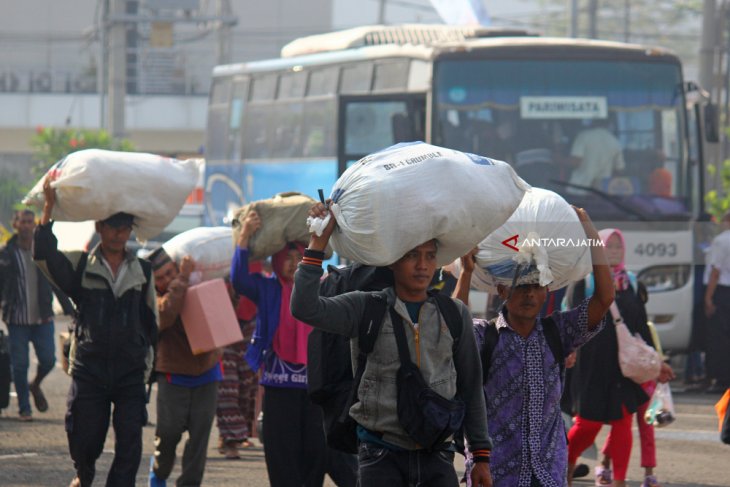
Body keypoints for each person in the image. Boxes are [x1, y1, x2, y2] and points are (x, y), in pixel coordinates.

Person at [290, 202, 493, 487]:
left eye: (429, 256)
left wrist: (481, 456)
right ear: (393, 260)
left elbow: (471, 386)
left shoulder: (454, 314)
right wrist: (317, 243)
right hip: (379, 454)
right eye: (412, 255)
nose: (422, 265)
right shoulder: (365, 307)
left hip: (438, 455)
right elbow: (305, 308)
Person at [453, 207, 613, 487]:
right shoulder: (486, 336)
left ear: (547, 291)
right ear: (502, 291)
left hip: (548, 473)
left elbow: (604, 298)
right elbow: (454, 327)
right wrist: (466, 273)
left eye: (536, 285)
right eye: (521, 285)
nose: (529, 293)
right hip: (495, 474)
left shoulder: (557, 333)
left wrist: (590, 235)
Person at [33, 176, 158, 487]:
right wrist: (48, 207)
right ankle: (84, 475)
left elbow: (151, 321)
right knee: (84, 437)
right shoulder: (81, 267)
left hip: (130, 370)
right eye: (112, 226)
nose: (119, 233)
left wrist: (150, 369)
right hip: (91, 368)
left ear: (131, 230)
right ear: (99, 228)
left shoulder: (143, 272)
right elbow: (45, 256)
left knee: (130, 445)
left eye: (124, 227)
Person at [564, 228, 672, 487]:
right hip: (590, 364)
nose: (613, 252)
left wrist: (657, 361)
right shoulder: (584, 281)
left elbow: (641, 327)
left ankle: (619, 481)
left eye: (618, 247)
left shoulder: (632, 283)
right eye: (608, 247)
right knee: (588, 424)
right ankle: (565, 464)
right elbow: (570, 322)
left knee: (622, 422)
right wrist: (568, 350)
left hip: (624, 367)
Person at [232, 210, 326, 487]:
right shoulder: (267, 287)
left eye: (300, 258)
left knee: (316, 454)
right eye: (289, 258)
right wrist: (245, 236)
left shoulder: (321, 288)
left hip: (314, 389)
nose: (294, 264)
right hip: (278, 385)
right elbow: (238, 278)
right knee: (281, 456)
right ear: (277, 260)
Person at [146, 248, 223, 487]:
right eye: (159, 277)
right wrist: (181, 278)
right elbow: (166, 314)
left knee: (199, 442)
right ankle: (159, 471)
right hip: (173, 376)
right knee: (168, 435)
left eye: (170, 272)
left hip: (208, 373)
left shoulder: (197, 285)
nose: (166, 279)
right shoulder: (153, 301)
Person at [0, 209, 68, 421]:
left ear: (35, 224)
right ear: (16, 224)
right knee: (19, 365)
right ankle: (24, 408)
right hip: (16, 318)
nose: (27, 225)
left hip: (43, 318)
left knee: (48, 360)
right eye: (23, 221)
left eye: (31, 222)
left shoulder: (43, 251)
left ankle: (35, 384)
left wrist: (70, 308)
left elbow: (57, 281)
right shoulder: (6, 253)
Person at [215, 288, 259, 459]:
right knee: (228, 384)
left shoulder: (256, 262)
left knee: (247, 384)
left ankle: (233, 432)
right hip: (220, 318)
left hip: (250, 321)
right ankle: (230, 439)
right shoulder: (218, 263)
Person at [703, 211, 730, 394]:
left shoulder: (722, 240)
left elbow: (715, 271)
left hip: (721, 292)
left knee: (719, 338)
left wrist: (708, 297)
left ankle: (721, 379)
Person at [567, 119, 625, 194]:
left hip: (579, 189)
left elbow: (575, 162)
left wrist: (558, 160)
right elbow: (619, 170)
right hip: (602, 192)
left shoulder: (584, 136)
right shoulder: (615, 141)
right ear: (609, 124)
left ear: (594, 121)